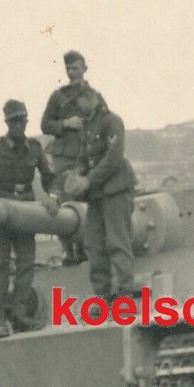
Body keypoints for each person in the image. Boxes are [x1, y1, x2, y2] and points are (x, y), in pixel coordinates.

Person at [0, 99, 60, 339]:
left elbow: (50, 177)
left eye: (22, 120)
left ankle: (19, 315)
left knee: (26, 264)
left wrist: (52, 197)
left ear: (27, 121)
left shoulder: (35, 148)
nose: (18, 124)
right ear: (7, 122)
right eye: (13, 121)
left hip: (24, 212)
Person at [65, 90, 138, 302]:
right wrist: (76, 174)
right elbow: (83, 157)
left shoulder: (111, 121)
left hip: (116, 189)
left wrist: (88, 180)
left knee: (118, 242)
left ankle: (125, 296)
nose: (76, 106)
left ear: (91, 98)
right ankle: (103, 297)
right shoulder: (87, 126)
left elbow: (114, 158)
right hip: (96, 195)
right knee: (94, 246)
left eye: (78, 100)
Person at [41, 50, 103, 265]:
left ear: (84, 68)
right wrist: (66, 123)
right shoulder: (58, 96)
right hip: (65, 156)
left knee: (88, 201)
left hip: (88, 155)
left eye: (75, 68)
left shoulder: (95, 96)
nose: (71, 72)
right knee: (66, 203)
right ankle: (68, 251)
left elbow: (105, 121)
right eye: (67, 68)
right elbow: (45, 124)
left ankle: (87, 250)